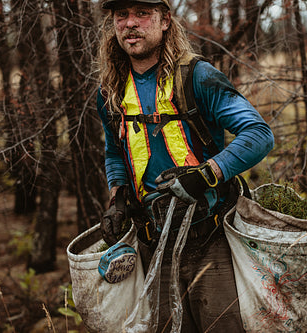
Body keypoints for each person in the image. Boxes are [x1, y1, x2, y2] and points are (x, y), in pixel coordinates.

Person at [96, 0, 274, 331]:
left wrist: (206, 175)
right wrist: (118, 196)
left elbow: (259, 134)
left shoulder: (198, 77)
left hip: (210, 239)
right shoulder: (110, 90)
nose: (131, 23)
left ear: (164, 21)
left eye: (142, 14)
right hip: (152, 246)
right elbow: (114, 152)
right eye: (122, 15)